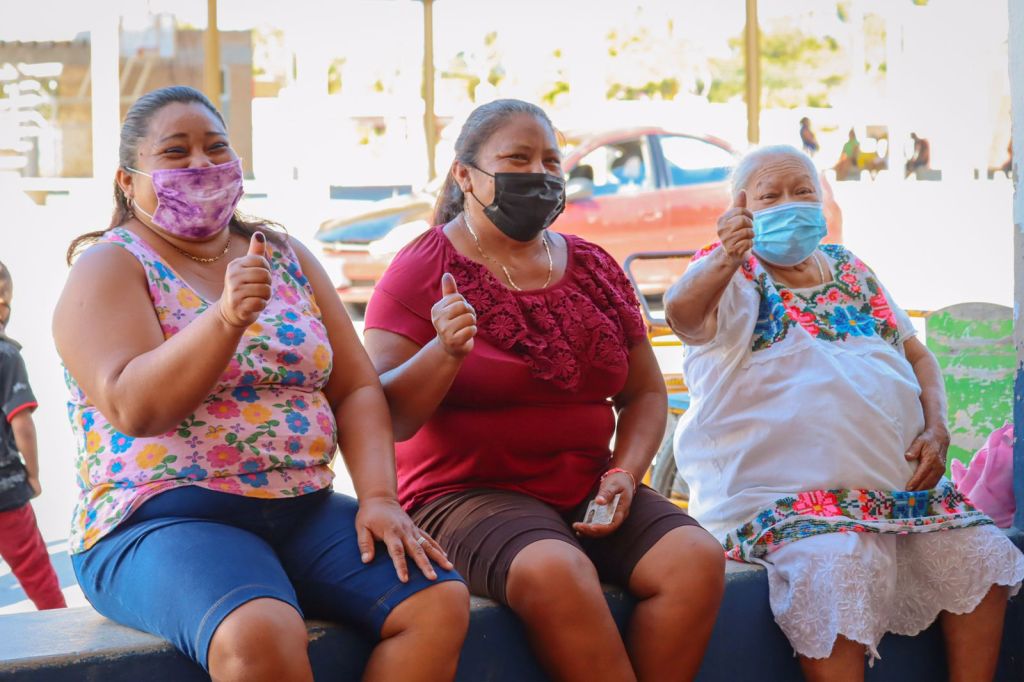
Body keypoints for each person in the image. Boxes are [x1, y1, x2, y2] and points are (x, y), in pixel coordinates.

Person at [53, 86, 469, 682]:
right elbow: (134, 407)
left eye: (215, 147)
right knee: (260, 632)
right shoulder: (110, 264)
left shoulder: (284, 255)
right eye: (175, 151)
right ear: (127, 180)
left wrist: (379, 498)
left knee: (436, 600)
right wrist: (224, 320)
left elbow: (355, 388)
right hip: (158, 517)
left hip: (301, 507)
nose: (201, 164)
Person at [363, 98, 725, 682]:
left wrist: (625, 473)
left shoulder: (594, 266)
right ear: (465, 175)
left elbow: (644, 394)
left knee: (696, 559)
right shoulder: (422, 268)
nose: (539, 173)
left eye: (551, 162)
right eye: (517, 159)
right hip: (463, 493)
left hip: (587, 485)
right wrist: (444, 353)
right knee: (557, 570)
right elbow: (380, 410)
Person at [664, 144, 1024, 682]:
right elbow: (683, 318)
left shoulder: (850, 268)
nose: (790, 204)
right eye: (770, 196)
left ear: (822, 199)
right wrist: (725, 256)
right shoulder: (730, 271)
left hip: (898, 491)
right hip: (786, 498)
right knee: (835, 570)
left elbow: (917, 355)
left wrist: (936, 426)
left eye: (802, 191)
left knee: (980, 556)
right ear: (742, 207)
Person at [0, 263, 66, 611]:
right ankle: (61, 631)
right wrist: (34, 474)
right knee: (35, 572)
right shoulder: (6, 355)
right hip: (6, 489)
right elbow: (21, 421)